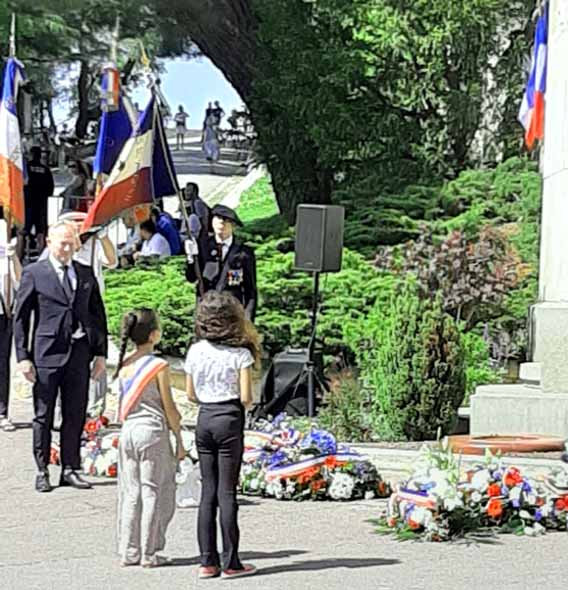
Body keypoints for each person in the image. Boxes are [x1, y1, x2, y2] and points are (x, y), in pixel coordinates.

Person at [14, 221, 107, 492]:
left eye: (71, 243)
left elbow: (97, 315)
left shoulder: (85, 273)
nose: (67, 248)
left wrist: (100, 353)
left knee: (75, 413)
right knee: (43, 414)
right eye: (62, 243)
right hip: (47, 353)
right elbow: (21, 318)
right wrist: (23, 356)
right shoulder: (35, 273)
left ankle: (70, 467)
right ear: (49, 243)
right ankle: (42, 469)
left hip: (79, 353)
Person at [185, 291, 260, 579]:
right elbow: (245, 396)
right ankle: (231, 562)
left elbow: (191, 394)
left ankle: (207, 560)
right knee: (227, 492)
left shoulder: (195, 351)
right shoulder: (239, 355)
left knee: (208, 492)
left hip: (204, 417)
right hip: (229, 418)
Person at [115, 308, 185, 568]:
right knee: (153, 491)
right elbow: (169, 407)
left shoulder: (125, 364)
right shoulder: (158, 365)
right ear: (154, 335)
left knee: (131, 492)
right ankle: (149, 551)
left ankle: (128, 550)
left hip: (128, 432)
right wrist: (179, 437)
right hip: (152, 432)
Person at [185, 204, 257, 321]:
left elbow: (250, 291)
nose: (221, 223)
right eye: (217, 218)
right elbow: (191, 277)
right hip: (207, 313)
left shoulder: (244, 253)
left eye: (226, 221)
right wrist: (190, 259)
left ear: (233, 225)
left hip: (231, 315)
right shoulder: (203, 247)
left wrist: (248, 321)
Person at [0, 231, 22, 432]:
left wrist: (13, 256)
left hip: (2, 309)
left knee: (2, 363)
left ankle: (2, 411)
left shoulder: (3, 228)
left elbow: (20, 279)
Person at [17, 146, 54, 259]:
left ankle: (18, 258)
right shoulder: (45, 170)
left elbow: (19, 185)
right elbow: (50, 189)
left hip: (27, 204)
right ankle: (42, 257)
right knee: (41, 232)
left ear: (31, 155)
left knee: (22, 232)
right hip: (41, 205)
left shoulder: (25, 169)